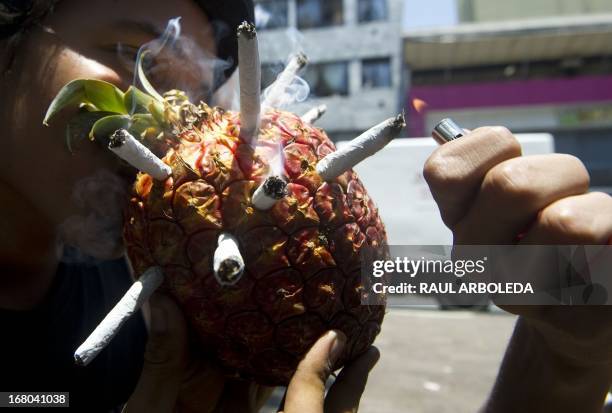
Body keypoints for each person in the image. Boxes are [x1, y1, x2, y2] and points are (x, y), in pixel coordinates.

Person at [0, 0, 610, 412]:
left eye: (193, 90)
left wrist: (565, 357)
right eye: (128, 48)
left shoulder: (174, 286)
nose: (169, 127)